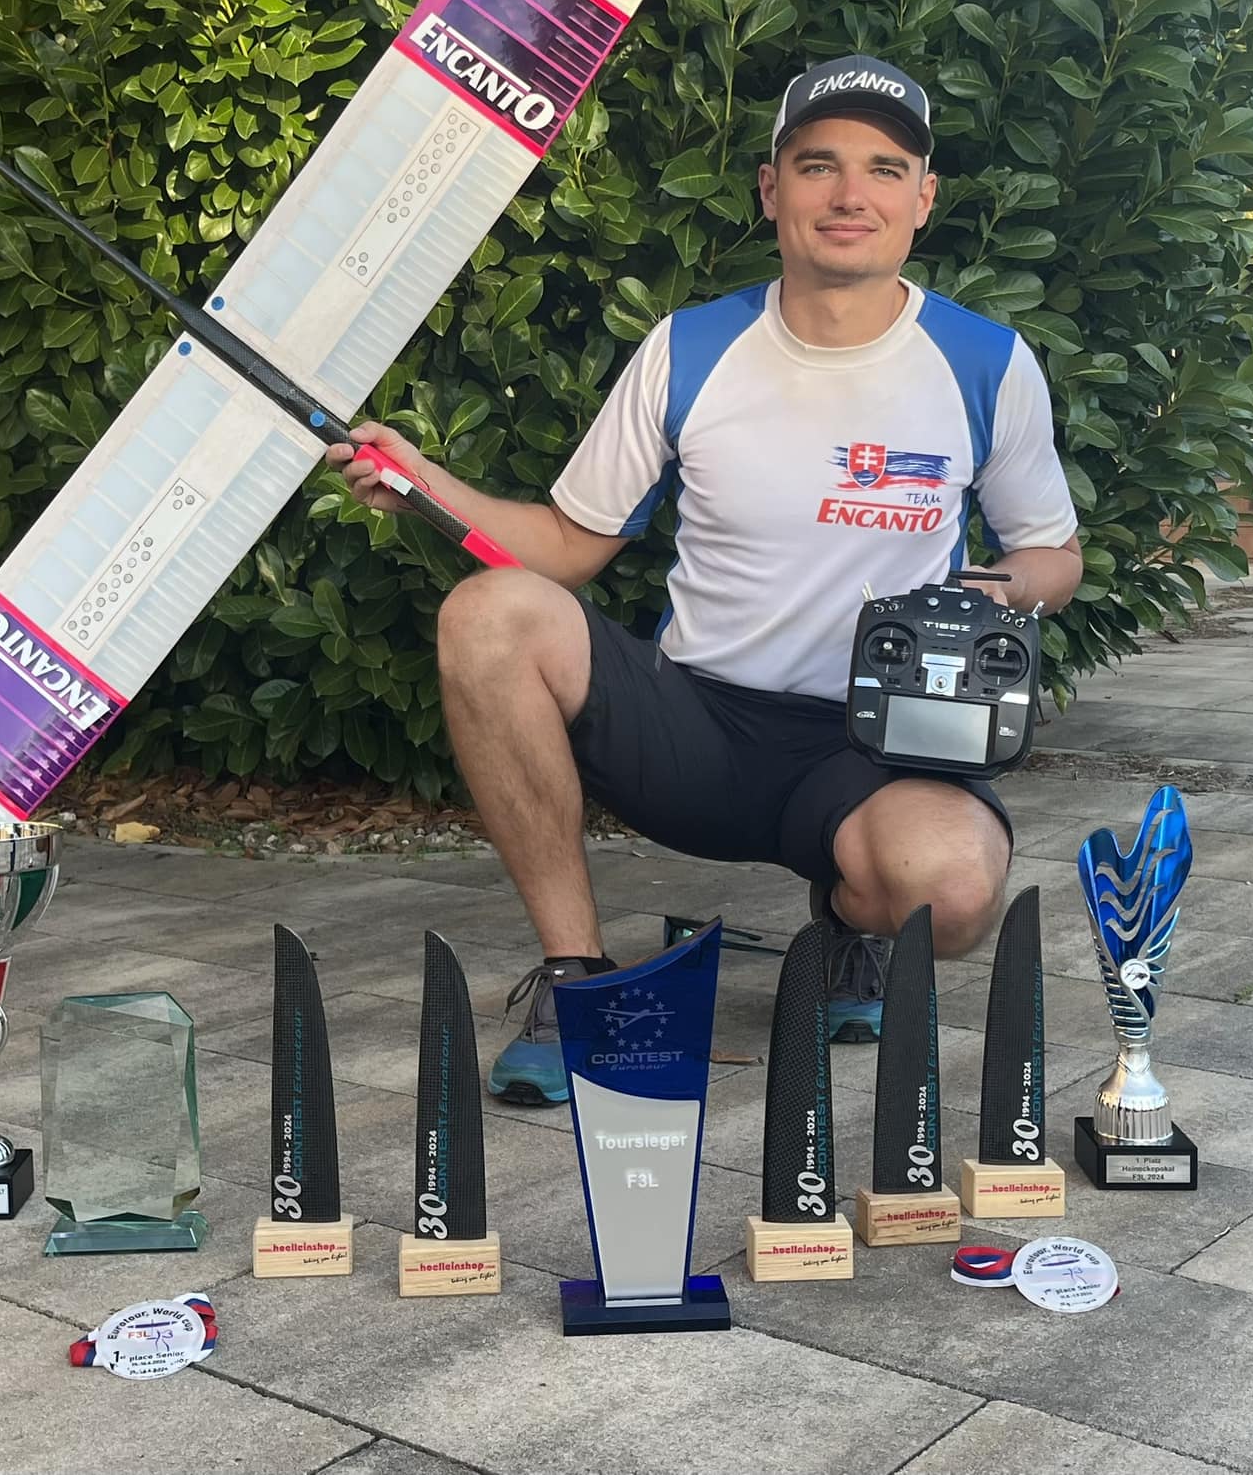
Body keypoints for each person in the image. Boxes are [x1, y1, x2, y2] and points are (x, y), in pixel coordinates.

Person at [329, 54, 1083, 1106]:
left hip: (875, 745)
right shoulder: (690, 346)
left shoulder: (984, 360)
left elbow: (1053, 552)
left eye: (883, 168)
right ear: (772, 189)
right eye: (816, 165)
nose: (849, 194)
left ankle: (845, 924)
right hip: (693, 732)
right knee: (488, 613)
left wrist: (996, 588)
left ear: (922, 198)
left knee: (950, 895)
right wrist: (424, 487)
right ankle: (576, 976)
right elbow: (565, 544)